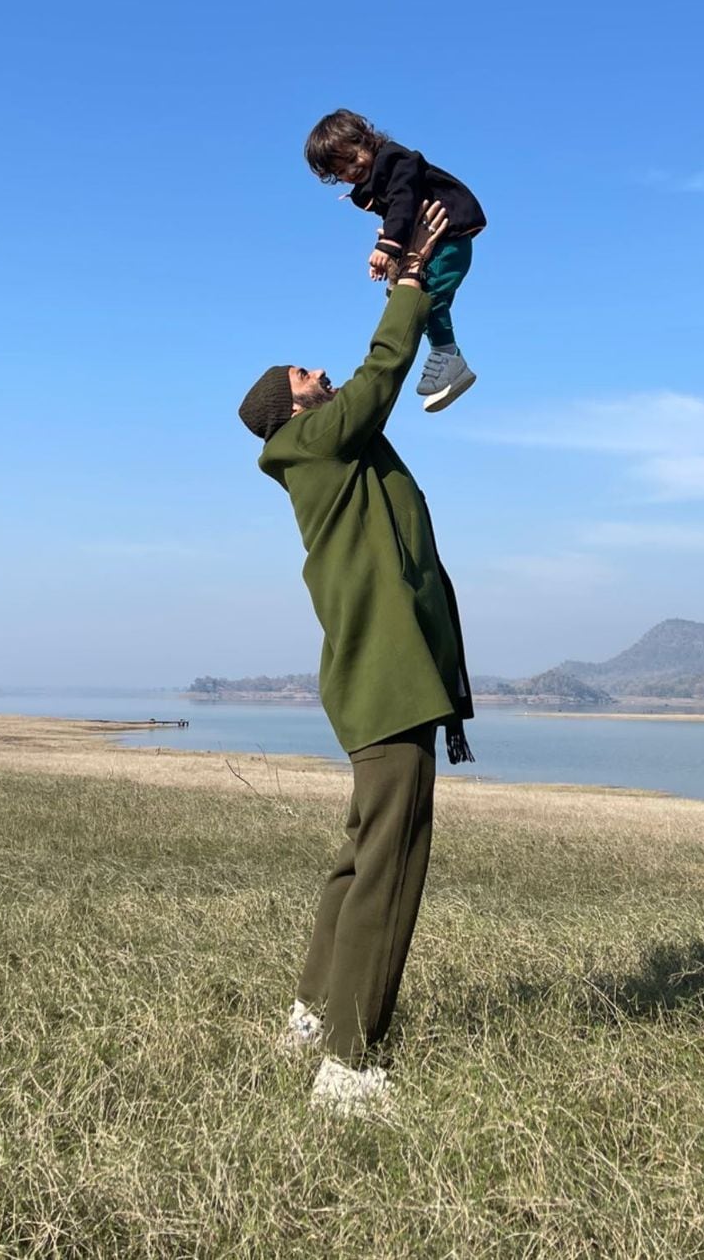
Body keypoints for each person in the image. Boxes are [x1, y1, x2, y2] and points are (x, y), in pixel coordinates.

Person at [237, 201, 474, 1119]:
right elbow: (380, 373)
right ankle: (349, 1063)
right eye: (307, 375)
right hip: (387, 683)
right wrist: (413, 281)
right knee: (392, 861)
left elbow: (370, 391)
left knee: (362, 852)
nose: (323, 373)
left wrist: (405, 265)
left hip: (382, 678)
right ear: (288, 411)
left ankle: (309, 1012)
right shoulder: (309, 444)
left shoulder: (333, 452)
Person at [304, 108, 486, 412]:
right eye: (341, 173)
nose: (351, 171)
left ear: (366, 139)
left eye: (352, 159)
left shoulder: (395, 161)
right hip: (439, 243)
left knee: (423, 300)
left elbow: (404, 202)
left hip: (449, 239)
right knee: (419, 305)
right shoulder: (374, 182)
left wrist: (388, 246)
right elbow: (397, 216)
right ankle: (447, 355)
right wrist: (389, 254)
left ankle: (448, 355)